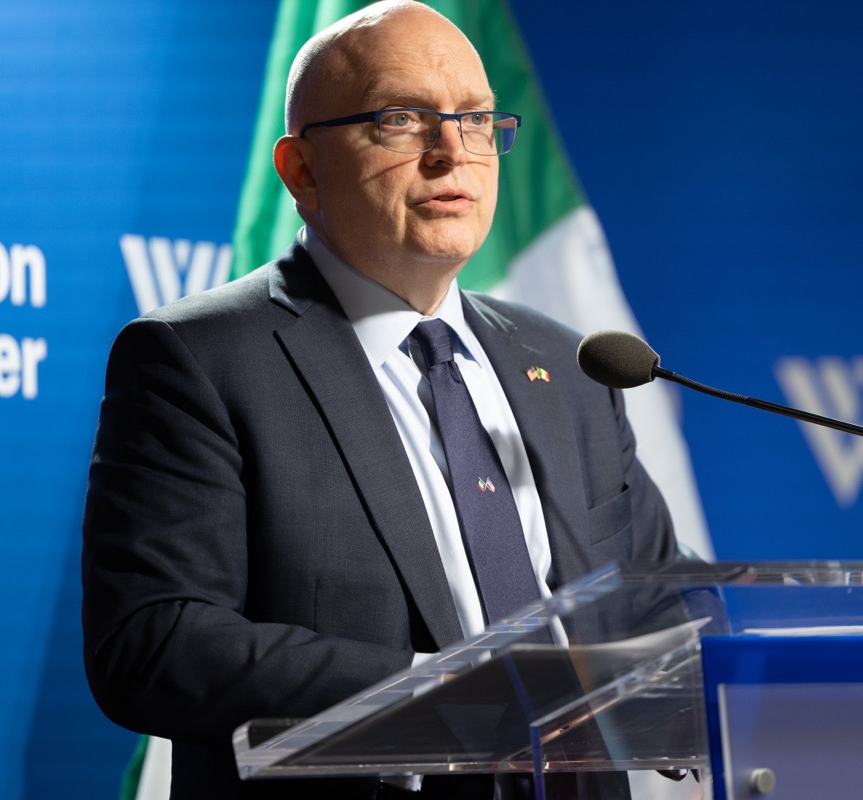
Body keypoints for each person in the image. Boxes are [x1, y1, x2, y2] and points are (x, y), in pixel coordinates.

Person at [82, 2, 677, 797]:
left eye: (475, 120)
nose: (451, 152)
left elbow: (661, 600)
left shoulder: (568, 365)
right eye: (400, 120)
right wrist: (443, 695)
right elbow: (155, 643)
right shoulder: (200, 361)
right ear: (302, 170)